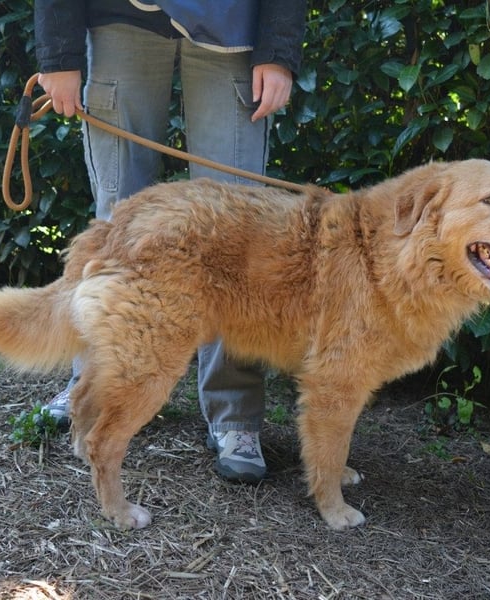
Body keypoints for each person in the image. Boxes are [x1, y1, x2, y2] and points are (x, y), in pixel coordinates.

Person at [33, 0, 306, 483]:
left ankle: (236, 416)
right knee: (118, 222)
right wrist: (59, 55)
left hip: (233, 29)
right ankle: (91, 388)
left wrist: (278, 52)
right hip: (119, 20)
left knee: (239, 238)